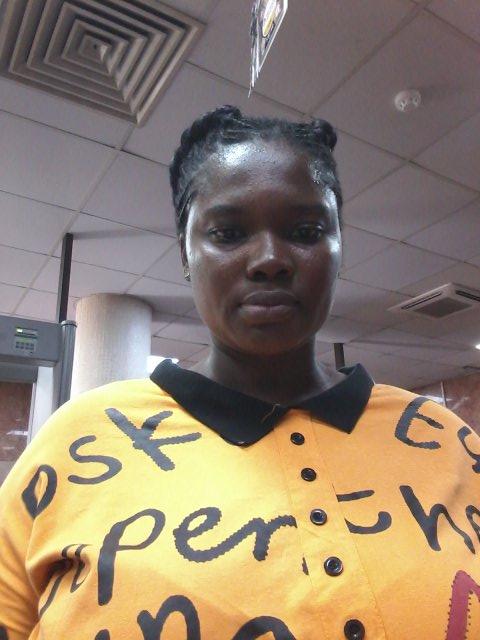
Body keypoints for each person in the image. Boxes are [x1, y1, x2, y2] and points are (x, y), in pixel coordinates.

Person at [0, 106, 478, 640]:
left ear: (340, 246)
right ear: (186, 253)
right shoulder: (76, 444)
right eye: (228, 233)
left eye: (305, 230)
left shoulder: (446, 440)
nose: (270, 259)